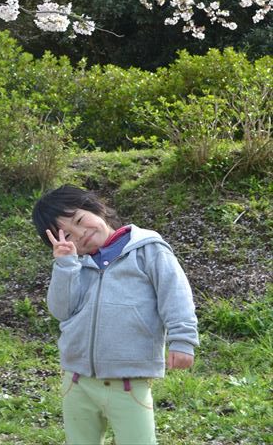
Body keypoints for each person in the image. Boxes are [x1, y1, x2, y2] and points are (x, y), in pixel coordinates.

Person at [32, 185, 198, 445]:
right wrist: (64, 265)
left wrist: (182, 339)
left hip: (129, 382)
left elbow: (175, 294)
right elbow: (61, 310)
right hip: (77, 381)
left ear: (96, 207)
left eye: (80, 220)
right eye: (69, 235)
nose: (81, 234)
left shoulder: (148, 249)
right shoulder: (74, 265)